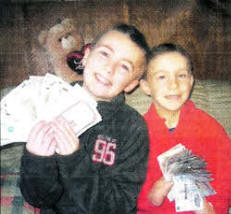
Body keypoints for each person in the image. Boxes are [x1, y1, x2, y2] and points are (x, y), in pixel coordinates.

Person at [20, 24, 150, 214]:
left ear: (131, 84)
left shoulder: (133, 127)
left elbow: (120, 205)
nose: (109, 68)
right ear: (87, 55)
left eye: (124, 66)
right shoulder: (50, 104)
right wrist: (37, 159)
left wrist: (74, 159)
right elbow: (38, 198)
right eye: (105, 54)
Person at [137, 43, 231, 214]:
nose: (173, 85)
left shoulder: (209, 127)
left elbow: (226, 174)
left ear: (191, 81)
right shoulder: (137, 132)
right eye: (162, 77)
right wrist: (152, 196)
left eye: (181, 75)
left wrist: (215, 208)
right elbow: (127, 185)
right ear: (146, 86)